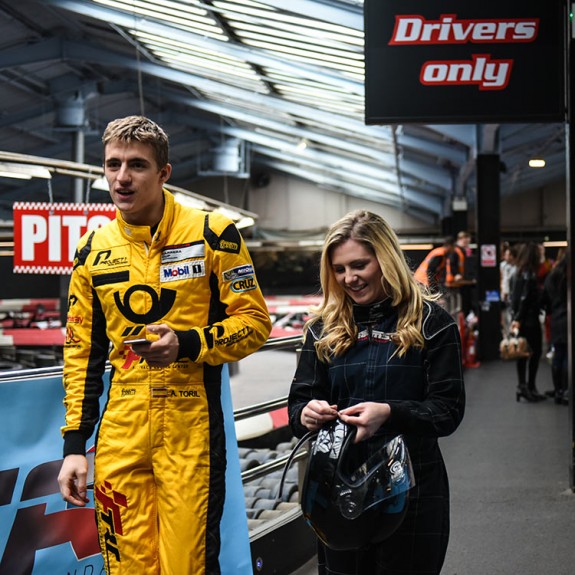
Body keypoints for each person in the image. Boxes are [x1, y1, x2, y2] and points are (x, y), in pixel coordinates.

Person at [57, 115, 272, 574]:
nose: (122, 177)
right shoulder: (92, 250)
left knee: (187, 566)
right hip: (120, 431)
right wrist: (75, 445)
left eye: (136, 165)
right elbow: (80, 353)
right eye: (113, 164)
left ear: (163, 173)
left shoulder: (213, 234)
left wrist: (189, 344)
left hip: (190, 428)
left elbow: (255, 323)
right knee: (126, 567)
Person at [288, 210, 465, 575]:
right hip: (337, 490)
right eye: (339, 269)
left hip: (412, 488)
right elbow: (298, 405)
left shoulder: (433, 324)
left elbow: (448, 411)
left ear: (386, 259)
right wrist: (306, 413)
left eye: (359, 265)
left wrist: (390, 413)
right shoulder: (321, 329)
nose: (349, 278)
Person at [510, 242, 545, 402]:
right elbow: (525, 299)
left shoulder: (518, 272)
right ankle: (530, 387)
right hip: (529, 319)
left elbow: (515, 299)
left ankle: (522, 386)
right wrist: (519, 317)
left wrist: (516, 318)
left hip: (520, 319)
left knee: (522, 353)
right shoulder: (530, 274)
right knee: (535, 352)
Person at [541, 250, 568, 405]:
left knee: (558, 355)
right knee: (566, 357)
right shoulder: (566, 276)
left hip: (556, 318)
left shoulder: (552, 275)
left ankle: (558, 389)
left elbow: (544, 299)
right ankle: (565, 389)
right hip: (567, 319)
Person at [446, 230, 475, 315]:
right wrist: (456, 274)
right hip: (453, 282)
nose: (467, 243)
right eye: (466, 241)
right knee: (454, 306)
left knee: (460, 306)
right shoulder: (455, 250)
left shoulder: (463, 251)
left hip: (459, 283)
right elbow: (452, 264)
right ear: (461, 239)